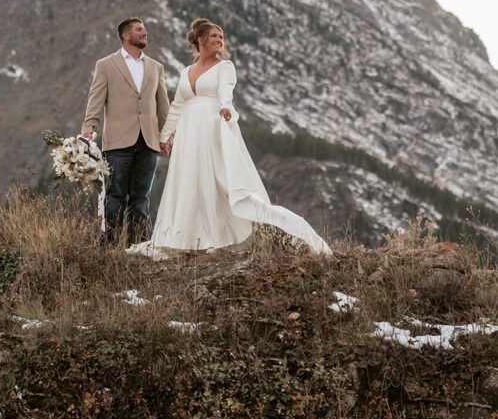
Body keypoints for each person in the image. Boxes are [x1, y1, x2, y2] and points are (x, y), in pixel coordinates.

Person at [131, 18, 331, 256]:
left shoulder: (225, 66)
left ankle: (219, 237)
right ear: (200, 39)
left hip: (213, 127)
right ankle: (187, 238)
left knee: (217, 181)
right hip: (188, 133)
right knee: (190, 182)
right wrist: (165, 136)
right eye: (214, 36)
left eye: (221, 37)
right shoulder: (186, 72)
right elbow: (177, 105)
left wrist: (227, 109)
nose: (219, 40)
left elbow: (226, 91)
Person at [81, 17, 170, 243]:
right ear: (126, 35)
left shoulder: (156, 67)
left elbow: (163, 106)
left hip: (148, 141)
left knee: (141, 198)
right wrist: (89, 127)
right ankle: (110, 247)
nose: (145, 32)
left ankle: (138, 247)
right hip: (118, 142)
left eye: (145, 29)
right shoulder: (106, 65)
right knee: (115, 196)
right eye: (140, 29)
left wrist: (167, 135)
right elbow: (96, 98)